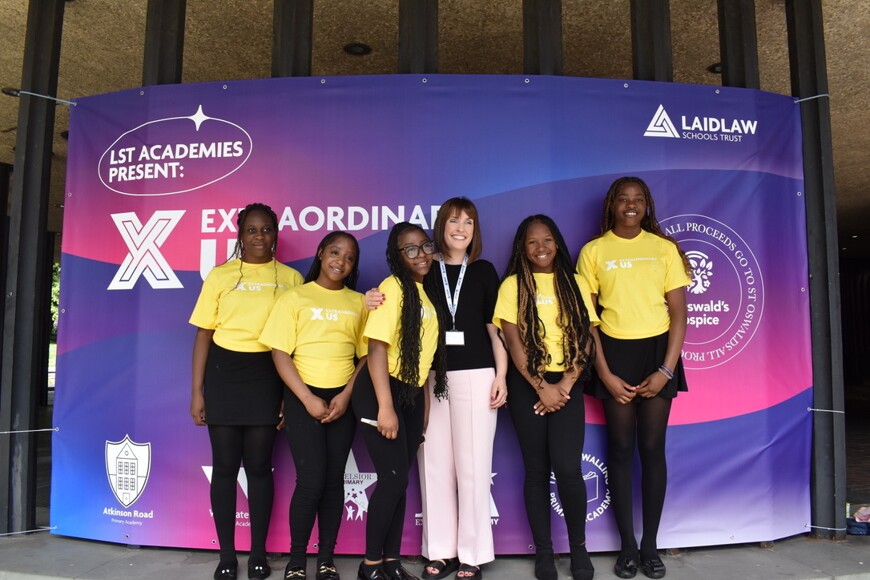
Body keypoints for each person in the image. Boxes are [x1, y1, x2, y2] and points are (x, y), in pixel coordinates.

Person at [577, 177, 690, 580]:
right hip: (613, 352)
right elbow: (588, 322)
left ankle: (650, 547)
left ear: (646, 205)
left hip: (658, 352)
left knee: (652, 449)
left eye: (638, 199)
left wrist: (666, 370)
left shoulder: (664, 249)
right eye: (623, 199)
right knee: (621, 450)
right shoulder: (593, 251)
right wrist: (604, 373)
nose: (630, 205)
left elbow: (679, 314)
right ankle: (627, 547)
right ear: (612, 204)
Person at [189, 203, 304, 580]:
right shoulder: (220, 276)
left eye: (266, 229)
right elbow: (203, 334)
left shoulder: (291, 278)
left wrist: (289, 393)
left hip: (268, 374)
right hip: (224, 373)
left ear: (276, 234)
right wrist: (197, 391)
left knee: (258, 466)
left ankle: (257, 554)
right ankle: (226, 555)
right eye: (252, 230)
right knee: (224, 467)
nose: (259, 236)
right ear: (240, 235)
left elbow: (296, 343)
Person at [493, 215, 597, 580]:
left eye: (547, 240)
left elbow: (586, 337)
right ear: (522, 247)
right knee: (536, 470)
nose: (541, 248)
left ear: (557, 243)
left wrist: (565, 384)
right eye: (533, 242)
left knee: (568, 469)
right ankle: (545, 553)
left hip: (568, 381)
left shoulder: (576, 282)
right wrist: (541, 387)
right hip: (528, 385)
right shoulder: (512, 286)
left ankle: (579, 549)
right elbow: (513, 342)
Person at [259, 232, 367, 580]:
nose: (341, 261)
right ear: (320, 253)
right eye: (335, 252)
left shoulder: (359, 302)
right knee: (311, 481)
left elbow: (366, 356)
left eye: (349, 257)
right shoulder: (295, 297)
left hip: (342, 399)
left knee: (334, 481)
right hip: (302, 395)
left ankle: (326, 559)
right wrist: (305, 398)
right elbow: (280, 352)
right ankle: (296, 561)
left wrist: (346, 395)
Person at [352, 222, 446, 580]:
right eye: (410, 249)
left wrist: (422, 405)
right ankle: (370, 565)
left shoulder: (427, 293)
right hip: (382, 390)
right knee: (391, 480)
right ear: (397, 255)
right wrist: (386, 406)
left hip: (410, 393)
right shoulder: (392, 288)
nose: (421, 255)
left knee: (399, 481)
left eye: (425, 246)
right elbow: (377, 348)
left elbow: (423, 359)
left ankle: (391, 562)